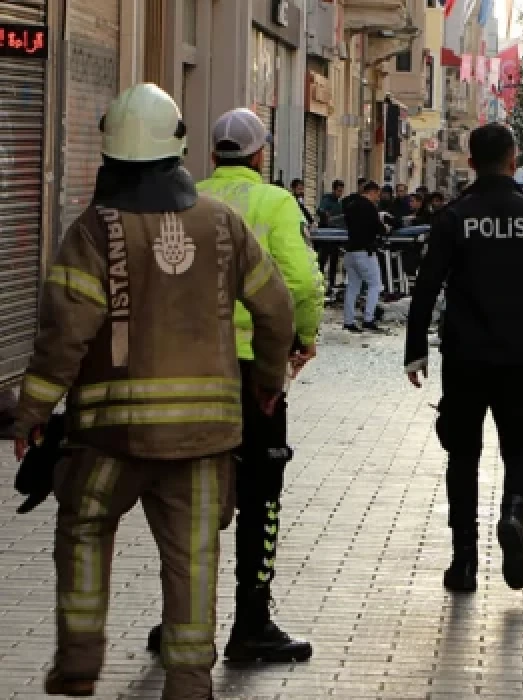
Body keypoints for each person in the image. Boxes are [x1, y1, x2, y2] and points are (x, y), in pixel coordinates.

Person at [12, 84, 296, 697]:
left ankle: (79, 663)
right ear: (180, 149)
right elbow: (276, 310)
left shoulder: (93, 230)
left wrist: (30, 414)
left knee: (84, 529)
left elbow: (63, 334)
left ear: (109, 155)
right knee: (193, 559)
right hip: (202, 440)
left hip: (110, 438)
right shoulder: (223, 223)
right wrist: (268, 384)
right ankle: (189, 681)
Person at [166, 106, 321, 664]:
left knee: (188, 496)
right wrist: (303, 337)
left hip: (190, 368)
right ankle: (251, 622)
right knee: (260, 494)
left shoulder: (185, 198)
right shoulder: (276, 202)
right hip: (254, 372)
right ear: (261, 155)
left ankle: (178, 623)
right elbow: (299, 280)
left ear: (212, 154)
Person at [404, 124, 523, 593]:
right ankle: (514, 513)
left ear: (471, 162)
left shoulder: (455, 217)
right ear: (513, 159)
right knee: (521, 446)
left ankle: (463, 563)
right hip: (519, 353)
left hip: (464, 356)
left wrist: (415, 348)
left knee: (462, 456)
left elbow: (427, 284)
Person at [342, 181, 388, 333]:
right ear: (372, 192)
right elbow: (377, 227)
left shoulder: (350, 205)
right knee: (375, 285)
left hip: (350, 252)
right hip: (365, 252)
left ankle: (348, 321)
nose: (378, 198)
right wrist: (385, 228)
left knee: (352, 286)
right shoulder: (369, 207)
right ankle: (368, 319)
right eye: (377, 194)